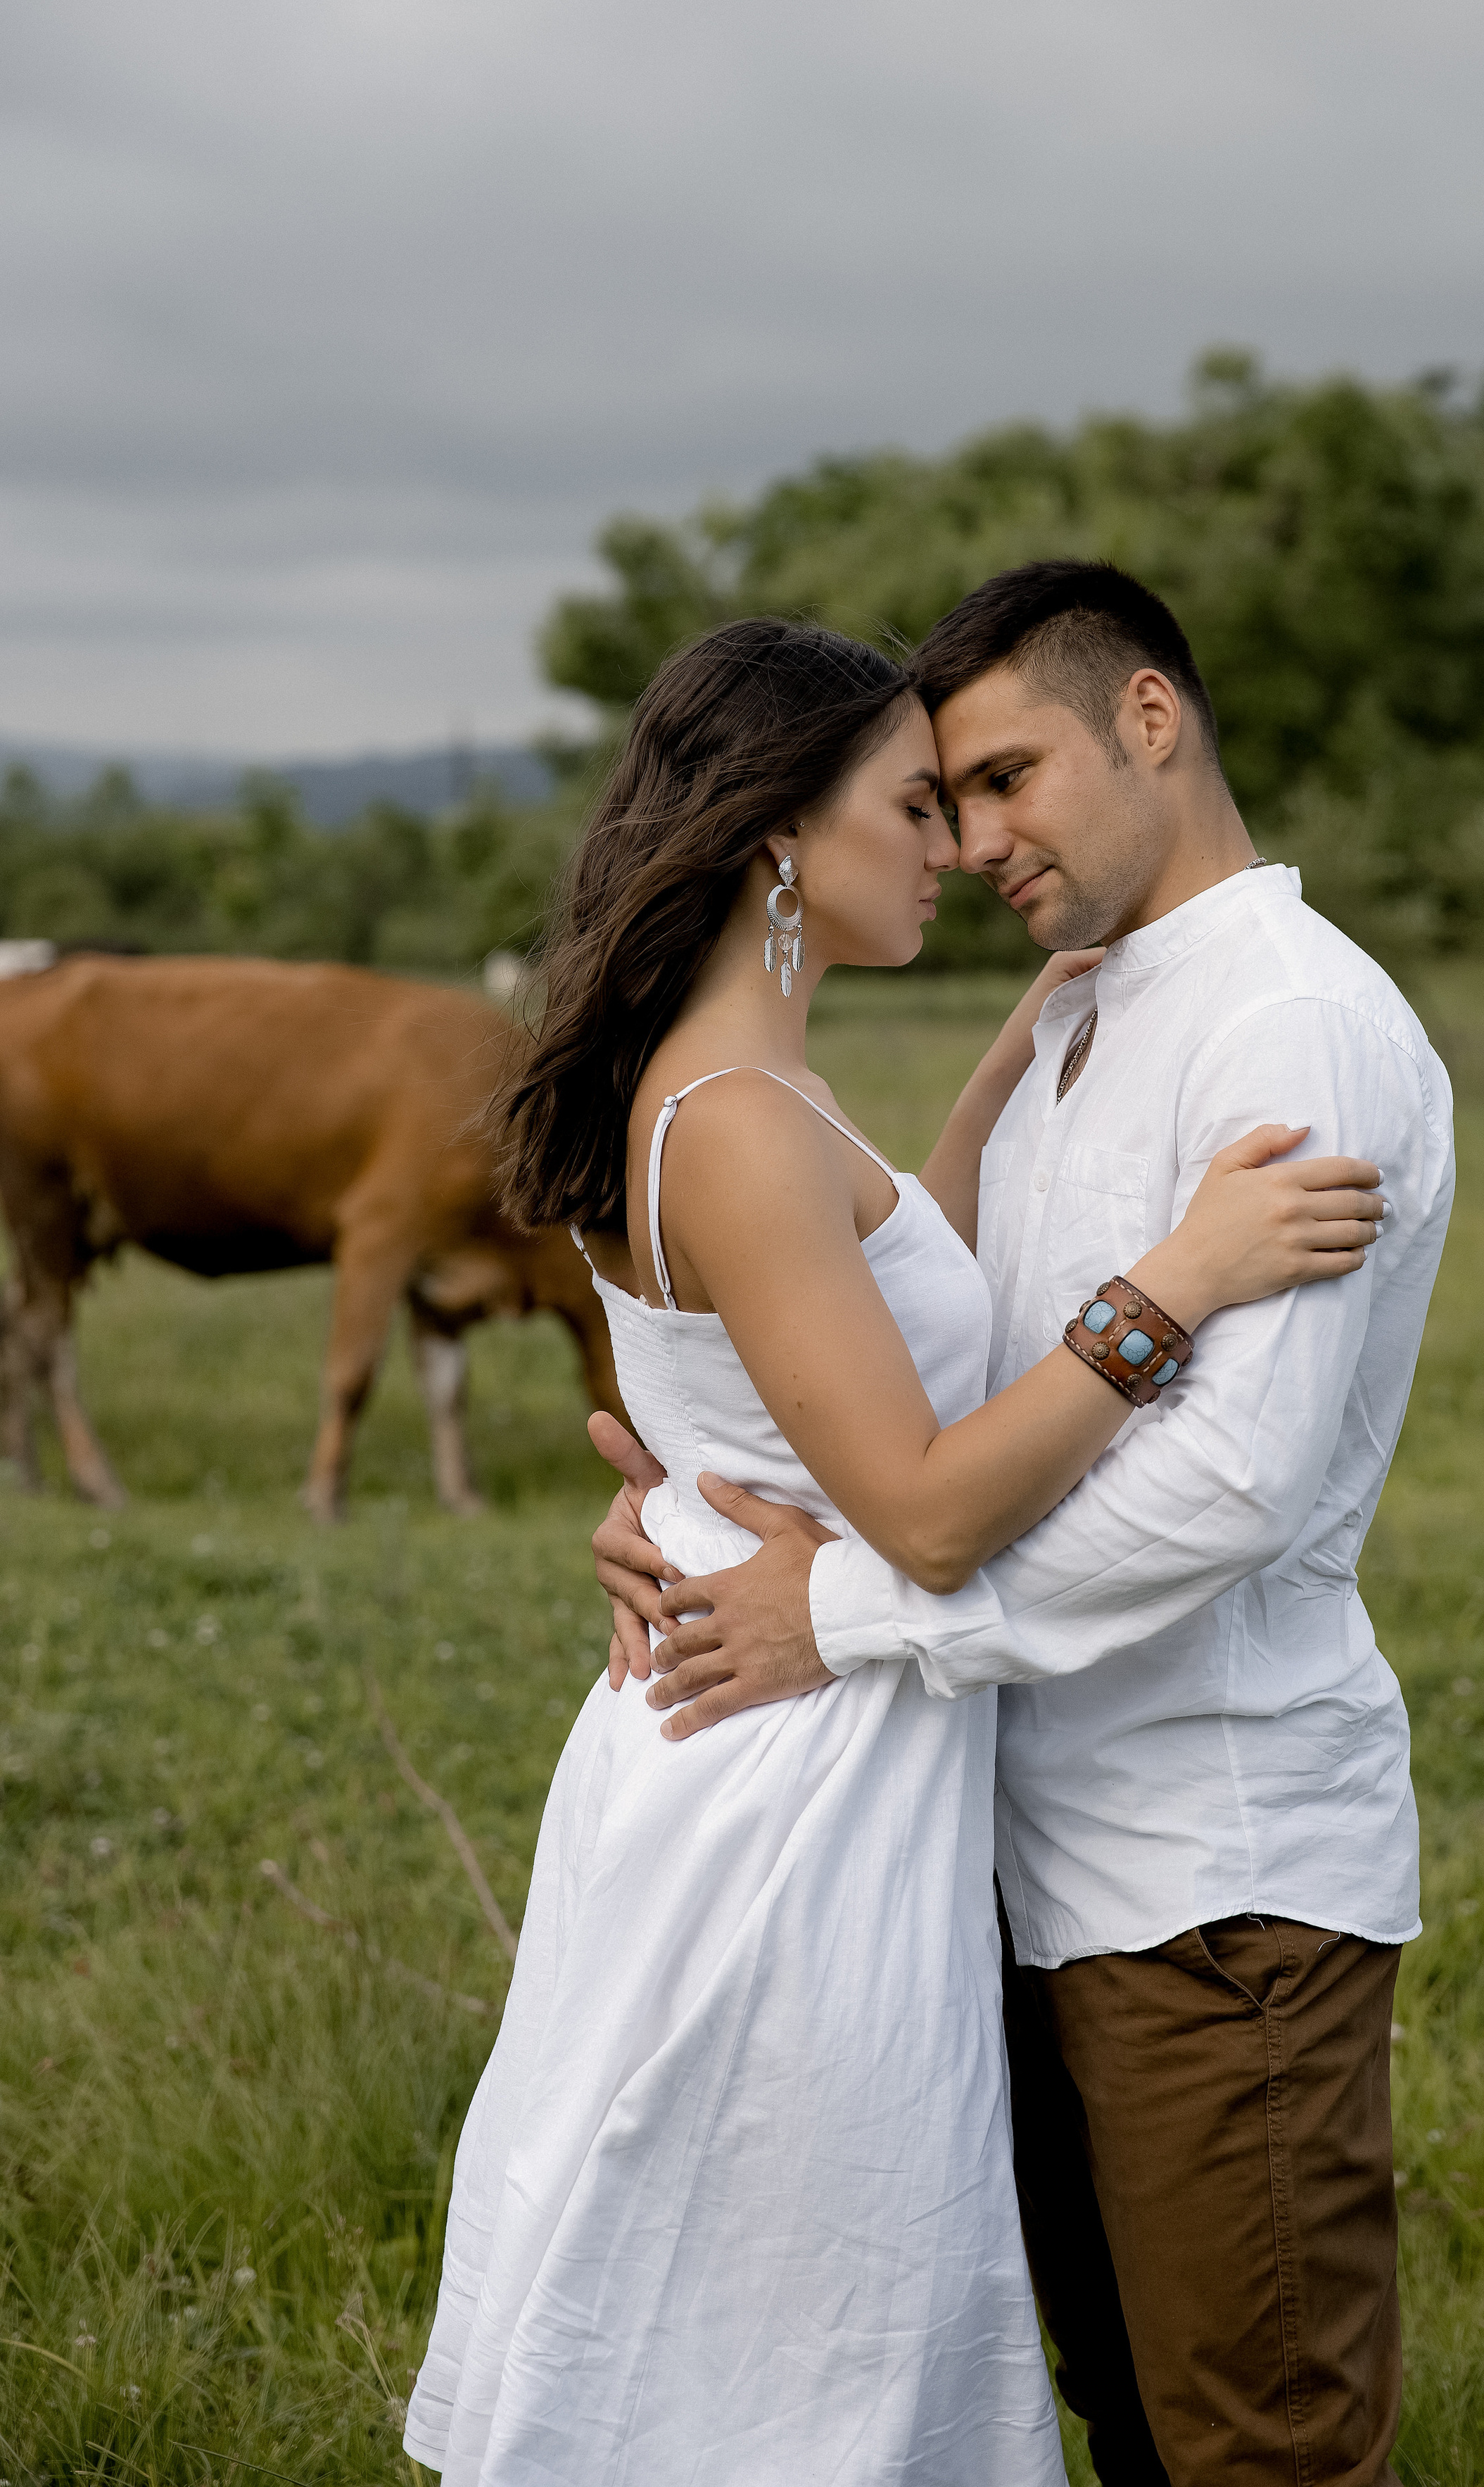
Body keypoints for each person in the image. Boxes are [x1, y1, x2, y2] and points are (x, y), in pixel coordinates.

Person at [402, 614, 1386, 2487]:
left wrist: (1014, 1062)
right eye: (917, 805)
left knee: (770, 2311)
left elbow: (868, 1310)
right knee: (792, 2351)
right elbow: (926, 1511)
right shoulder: (739, 1120)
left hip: (792, 1744)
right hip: (796, 1791)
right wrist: (1174, 1283)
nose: (954, 845)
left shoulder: (744, 1091)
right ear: (781, 832)